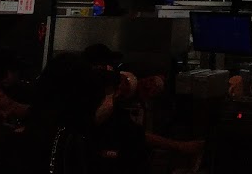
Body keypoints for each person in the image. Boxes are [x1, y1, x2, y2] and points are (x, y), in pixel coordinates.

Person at [81, 44, 204, 173]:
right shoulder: (93, 101)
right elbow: (133, 134)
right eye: (109, 66)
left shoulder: (109, 97)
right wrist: (181, 146)